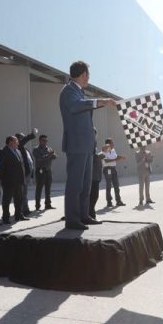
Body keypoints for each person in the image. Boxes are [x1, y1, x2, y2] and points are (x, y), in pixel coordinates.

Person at [59, 60, 116, 230]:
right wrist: (101, 101)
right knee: (75, 184)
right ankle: (72, 219)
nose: (88, 77)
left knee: (85, 185)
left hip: (86, 146)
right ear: (83, 74)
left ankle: (84, 216)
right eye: (88, 74)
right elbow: (75, 106)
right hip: (76, 145)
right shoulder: (68, 90)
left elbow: (84, 106)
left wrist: (100, 102)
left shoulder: (79, 92)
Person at [0, 135, 26, 224]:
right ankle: (5, 217)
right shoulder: (3, 151)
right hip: (8, 181)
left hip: (18, 180)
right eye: (16, 141)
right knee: (7, 200)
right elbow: (1, 166)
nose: (18, 143)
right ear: (10, 142)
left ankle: (18, 215)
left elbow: (21, 165)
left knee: (19, 199)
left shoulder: (18, 151)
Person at [15, 129, 37, 216]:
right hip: (22, 174)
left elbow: (30, 161)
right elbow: (23, 141)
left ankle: (24, 209)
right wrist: (32, 134)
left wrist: (31, 173)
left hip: (27, 173)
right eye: (22, 138)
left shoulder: (24, 148)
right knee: (22, 193)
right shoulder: (19, 146)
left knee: (24, 193)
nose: (24, 139)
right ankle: (22, 210)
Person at [33, 134, 57, 211]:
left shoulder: (48, 148)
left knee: (48, 189)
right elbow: (39, 159)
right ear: (40, 141)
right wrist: (49, 155)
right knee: (39, 189)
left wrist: (53, 155)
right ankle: (37, 206)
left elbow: (55, 156)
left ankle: (48, 204)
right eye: (43, 140)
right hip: (40, 171)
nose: (45, 142)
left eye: (46, 141)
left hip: (48, 170)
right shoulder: (36, 149)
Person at [102, 138, 126, 207]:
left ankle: (118, 201)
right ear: (108, 144)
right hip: (107, 169)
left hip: (113, 169)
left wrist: (120, 157)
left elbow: (115, 157)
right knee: (109, 186)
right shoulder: (104, 151)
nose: (113, 144)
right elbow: (105, 161)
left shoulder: (113, 150)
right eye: (112, 143)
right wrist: (115, 159)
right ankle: (109, 202)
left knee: (116, 185)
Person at [89, 130, 105, 220]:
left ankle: (91, 213)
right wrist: (99, 155)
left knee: (94, 196)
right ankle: (90, 214)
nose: (95, 137)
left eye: (95, 135)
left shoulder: (94, 145)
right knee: (93, 196)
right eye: (93, 135)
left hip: (96, 175)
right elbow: (90, 156)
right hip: (91, 176)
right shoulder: (88, 144)